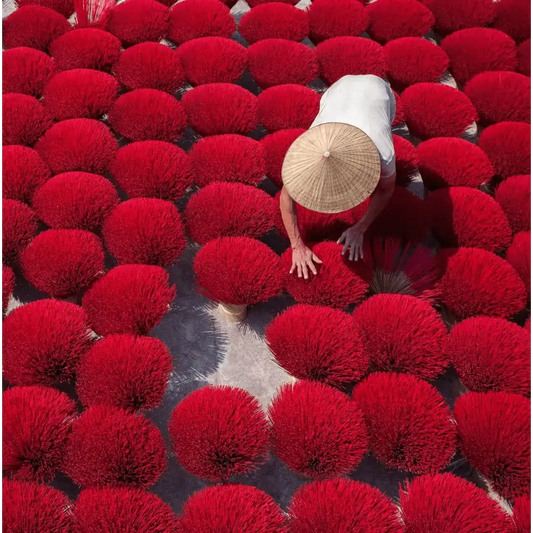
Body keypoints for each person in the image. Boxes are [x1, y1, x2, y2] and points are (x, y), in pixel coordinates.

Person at [280, 74, 397, 279]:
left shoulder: (383, 152)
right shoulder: (305, 149)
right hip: (338, 90)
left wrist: (361, 227)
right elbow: (286, 196)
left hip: (377, 91)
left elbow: (386, 190)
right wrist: (297, 245)